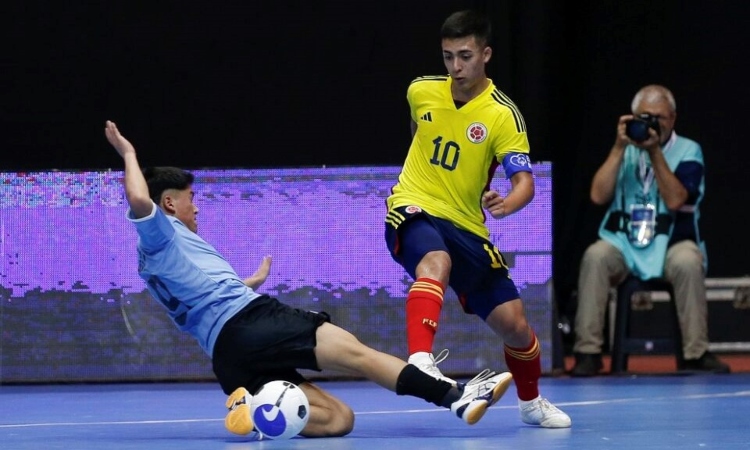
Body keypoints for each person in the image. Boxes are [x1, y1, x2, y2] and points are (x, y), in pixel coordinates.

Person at [104, 120, 513, 438]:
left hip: (228, 358)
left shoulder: (159, 263)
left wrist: (250, 280)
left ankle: (259, 409)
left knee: (339, 420)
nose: (197, 208)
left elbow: (204, 302)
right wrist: (129, 152)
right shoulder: (160, 232)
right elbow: (140, 200)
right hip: (254, 323)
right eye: (192, 199)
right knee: (360, 355)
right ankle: (456, 398)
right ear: (170, 202)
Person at [384, 10, 571, 428]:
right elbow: (418, 133)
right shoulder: (421, 91)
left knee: (517, 326)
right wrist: (416, 181)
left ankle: (531, 403)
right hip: (413, 205)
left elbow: (525, 181)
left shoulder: (503, 114)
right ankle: (420, 360)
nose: (455, 67)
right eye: (448, 57)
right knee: (436, 262)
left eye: (465, 56)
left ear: (485, 54)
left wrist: (508, 202)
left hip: (468, 225)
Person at [571, 84, 731, 376]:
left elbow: (675, 199)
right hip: (624, 242)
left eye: (660, 117)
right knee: (595, 256)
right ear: (632, 117)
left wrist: (655, 152)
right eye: (645, 116)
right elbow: (597, 195)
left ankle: (696, 353)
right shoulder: (624, 150)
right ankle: (588, 351)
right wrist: (619, 147)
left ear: (673, 118)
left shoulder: (688, 150)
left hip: (671, 241)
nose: (652, 123)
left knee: (688, 261)